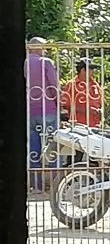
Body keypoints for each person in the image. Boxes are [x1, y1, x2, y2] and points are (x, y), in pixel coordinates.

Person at [25, 38, 60, 192]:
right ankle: (55, 185)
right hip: (48, 110)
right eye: (44, 47)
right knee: (54, 147)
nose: (45, 50)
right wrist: (59, 104)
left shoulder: (24, 63)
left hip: (30, 112)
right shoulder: (45, 62)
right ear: (37, 48)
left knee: (34, 150)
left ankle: (37, 185)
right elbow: (54, 85)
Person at [61, 58, 104, 128]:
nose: (93, 71)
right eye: (90, 69)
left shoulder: (95, 84)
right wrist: (86, 110)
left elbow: (101, 102)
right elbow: (66, 105)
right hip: (79, 125)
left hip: (95, 125)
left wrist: (100, 111)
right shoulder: (72, 85)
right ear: (83, 70)